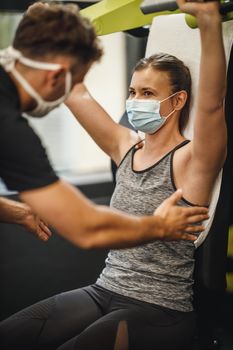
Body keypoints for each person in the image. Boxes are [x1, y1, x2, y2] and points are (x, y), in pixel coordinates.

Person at [0, 1, 225, 350]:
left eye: (148, 94)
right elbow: (74, 90)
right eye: (133, 92)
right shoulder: (125, 146)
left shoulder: (191, 159)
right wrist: (46, 28)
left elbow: (212, 104)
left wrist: (209, 20)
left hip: (160, 305)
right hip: (103, 289)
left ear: (178, 101)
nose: (135, 102)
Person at [0, 2, 207, 251]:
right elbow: (87, 228)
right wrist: (161, 226)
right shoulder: (11, 130)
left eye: (148, 93)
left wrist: (17, 212)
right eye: (73, 83)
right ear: (55, 77)